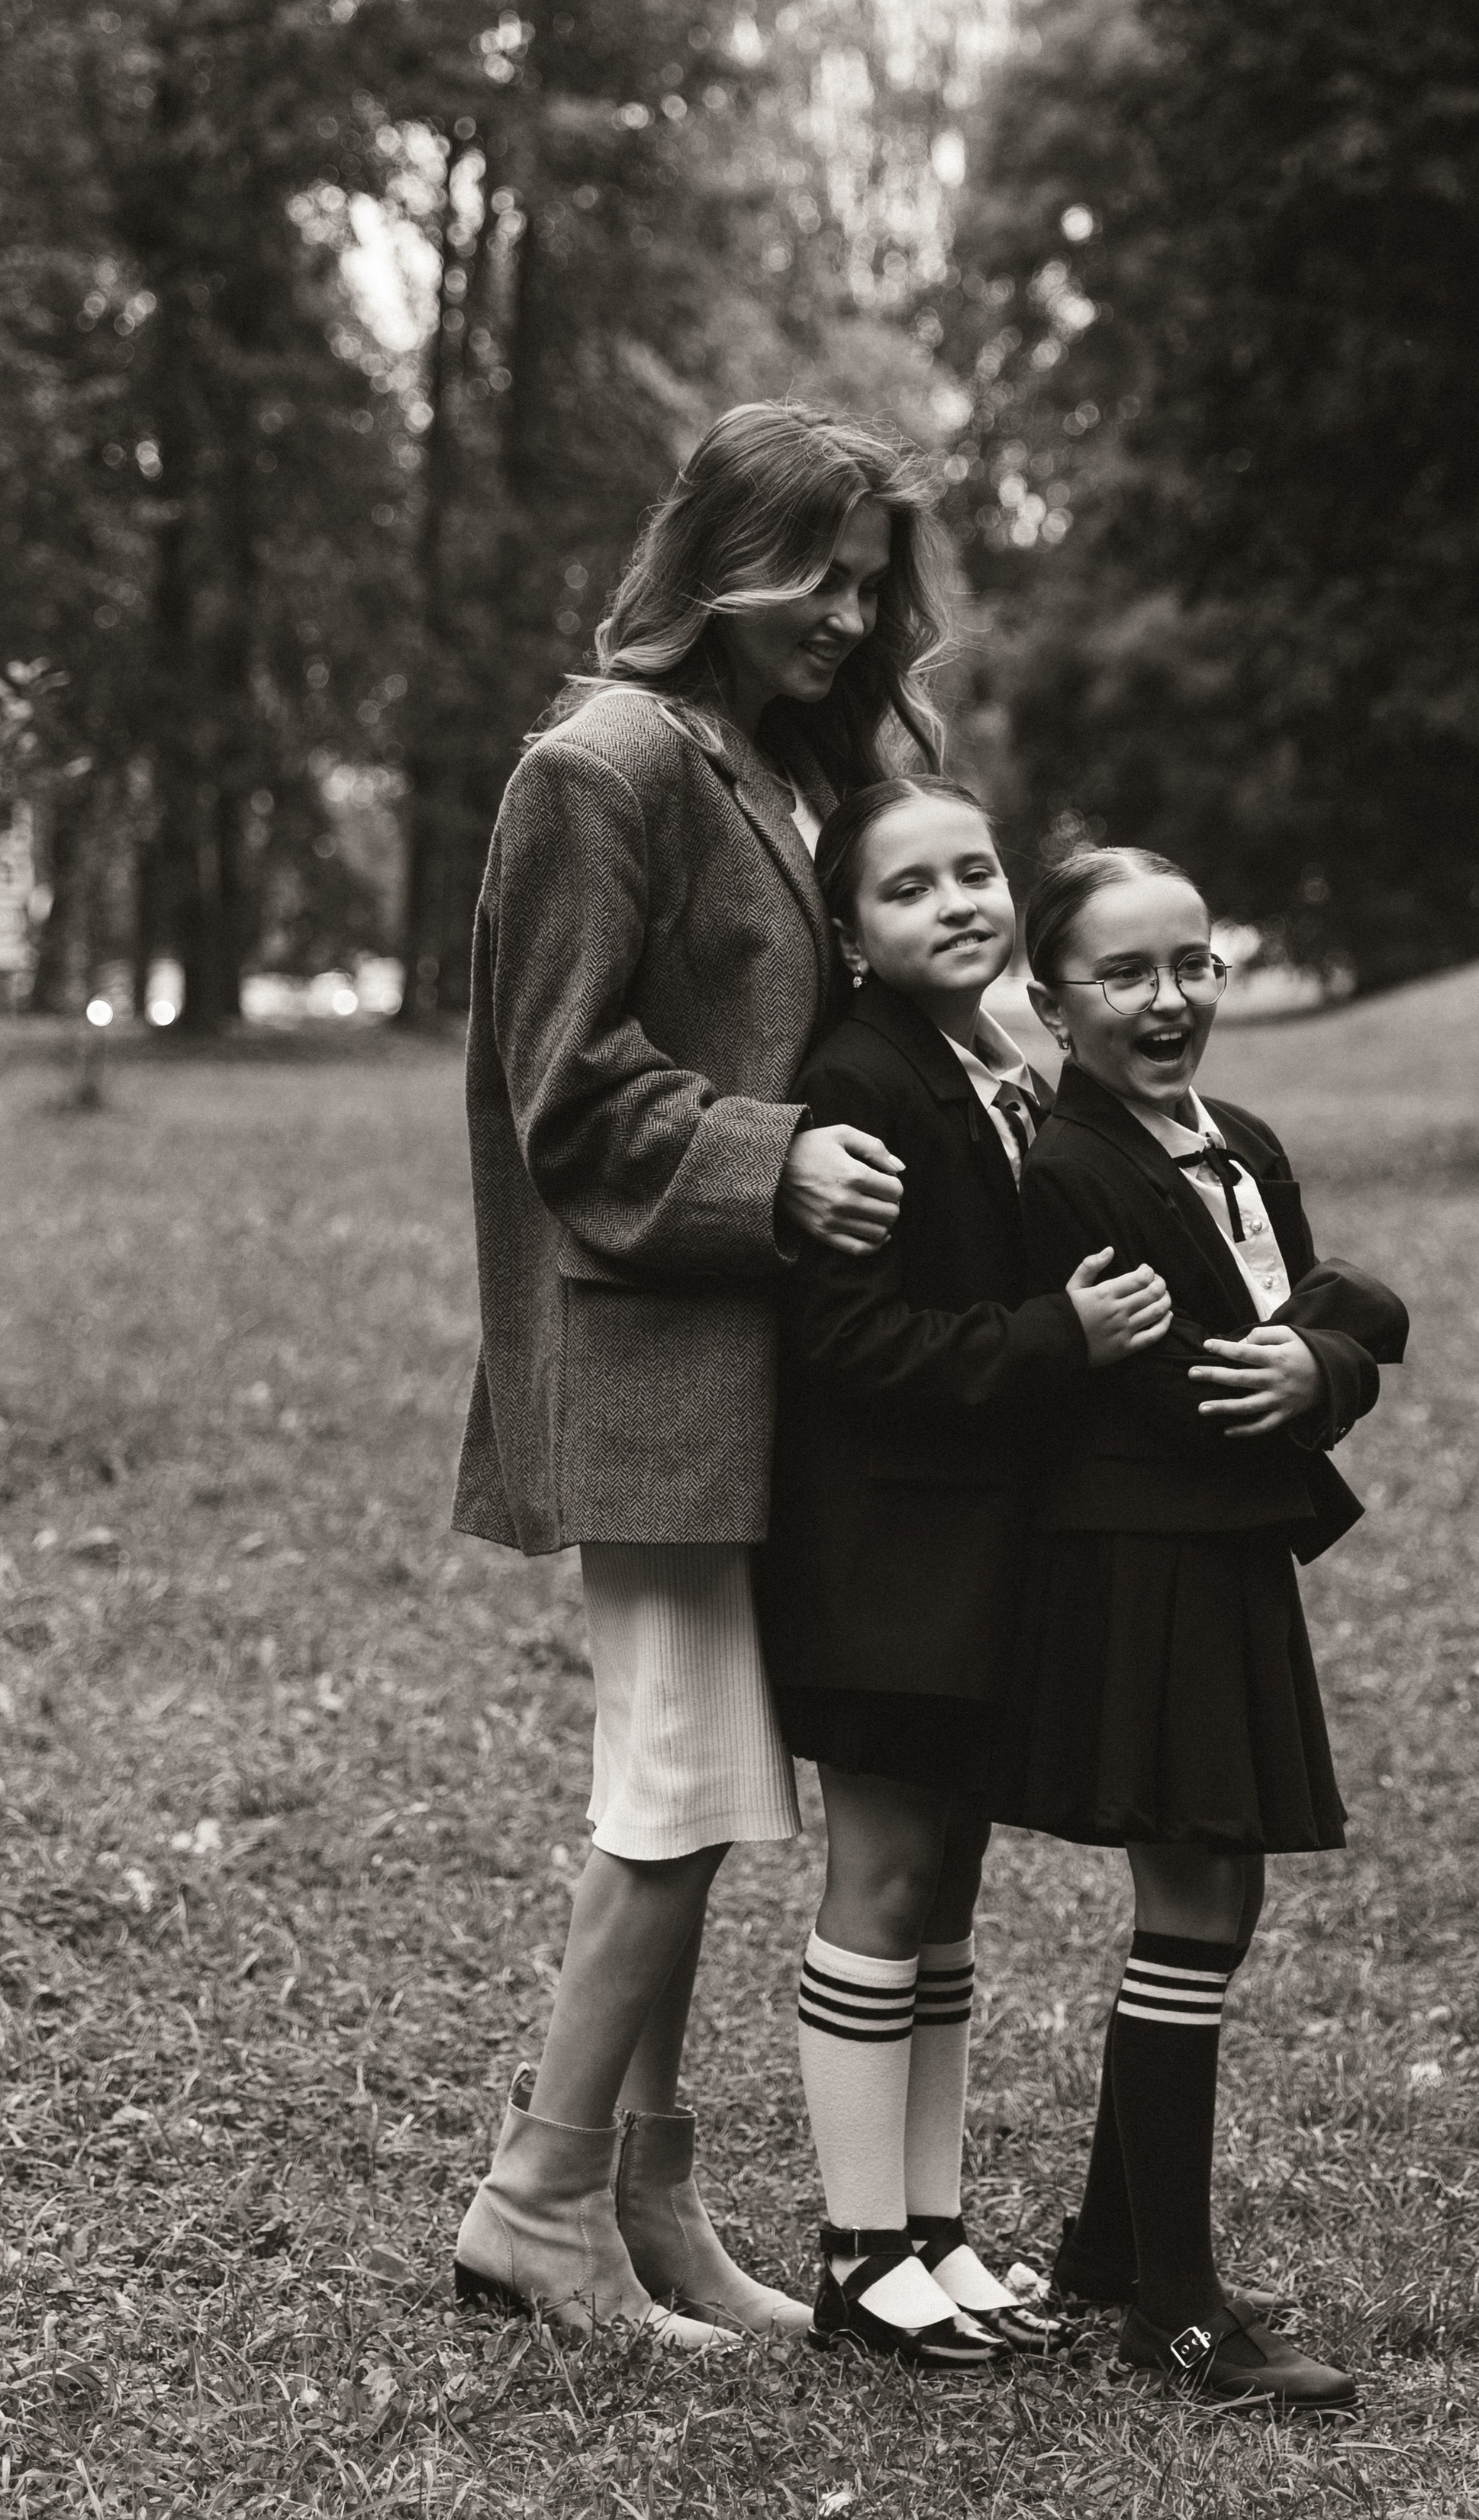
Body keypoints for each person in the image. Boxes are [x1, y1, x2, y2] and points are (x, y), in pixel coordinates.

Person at [449, 402, 948, 2346]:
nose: (845, 610)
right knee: (672, 1780)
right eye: (813, 569)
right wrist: (774, 1159)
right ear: (718, 552)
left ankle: (650, 2206)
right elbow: (558, 1087)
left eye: (867, 577)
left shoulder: (779, 761)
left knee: (706, 1778)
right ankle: (535, 2202)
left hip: (761, 1360)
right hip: (650, 1354)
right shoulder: (604, 764)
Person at [759, 775, 1174, 2370]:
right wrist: (1049, 1339)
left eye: (975, 872)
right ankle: (859, 2257)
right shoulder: (859, 1079)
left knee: (943, 1895)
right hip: (881, 1554)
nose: (956, 903)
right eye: (907, 887)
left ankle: (933, 2231)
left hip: (977, 1552)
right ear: (850, 933)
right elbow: (846, 1343)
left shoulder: (989, 1064)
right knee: (876, 1886)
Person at [990, 845, 1410, 2414]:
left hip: (1221, 1550)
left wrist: (1331, 1355)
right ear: (1050, 1002)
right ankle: (1172, 2308)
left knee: (1205, 1892)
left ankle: (1109, 2248)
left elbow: (1313, 1314)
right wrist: (1323, 1349)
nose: (1166, 1001)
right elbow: (1208, 1387)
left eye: (1192, 965)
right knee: (1195, 1888)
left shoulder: (1237, 1138)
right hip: (1141, 1557)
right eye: (1123, 974)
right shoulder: (1068, 1172)